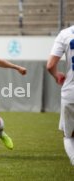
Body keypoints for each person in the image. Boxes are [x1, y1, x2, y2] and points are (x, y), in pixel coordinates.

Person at [46, 25, 74, 165]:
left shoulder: (66, 34)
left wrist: (57, 75)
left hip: (71, 92)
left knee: (69, 136)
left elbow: (50, 65)